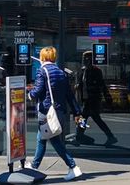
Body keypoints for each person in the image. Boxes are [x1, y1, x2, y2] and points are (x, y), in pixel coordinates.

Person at [28, 46, 83, 181]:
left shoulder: (42, 71)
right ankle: (34, 166)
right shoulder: (60, 72)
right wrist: (77, 112)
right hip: (58, 111)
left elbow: (38, 91)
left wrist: (29, 94)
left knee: (52, 140)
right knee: (42, 138)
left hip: (47, 112)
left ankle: (73, 166)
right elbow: (69, 95)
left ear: (43, 57)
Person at [74, 51, 117, 146]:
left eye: (85, 59)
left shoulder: (96, 71)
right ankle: (110, 136)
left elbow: (101, 85)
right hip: (86, 99)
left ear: (89, 60)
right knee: (93, 118)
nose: (84, 61)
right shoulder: (83, 70)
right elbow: (82, 83)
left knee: (84, 117)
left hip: (93, 99)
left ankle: (79, 136)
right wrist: (78, 86)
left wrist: (107, 97)